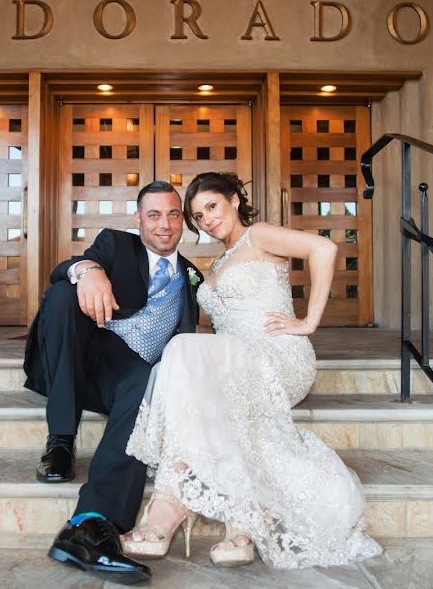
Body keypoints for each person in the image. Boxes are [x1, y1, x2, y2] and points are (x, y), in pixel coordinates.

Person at [122, 172, 382, 569]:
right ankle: (226, 517)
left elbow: (324, 249)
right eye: (197, 216)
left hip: (278, 354)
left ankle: (174, 506)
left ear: (233, 200)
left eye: (212, 206)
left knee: (190, 358)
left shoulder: (258, 235)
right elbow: (217, 324)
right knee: (188, 360)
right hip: (235, 359)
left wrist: (309, 321)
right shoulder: (217, 262)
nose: (207, 219)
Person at [23, 180, 203, 584]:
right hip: (82, 358)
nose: (164, 225)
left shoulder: (193, 277)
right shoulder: (117, 245)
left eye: (174, 215)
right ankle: (60, 440)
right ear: (139, 219)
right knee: (62, 296)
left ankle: (91, 527)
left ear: (184, 222)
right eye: (154, 215)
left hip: (129, 376)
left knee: (148, 381)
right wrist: (86, 271)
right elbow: (66, 269)